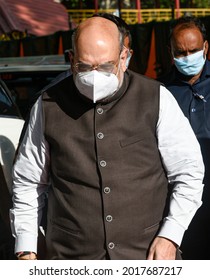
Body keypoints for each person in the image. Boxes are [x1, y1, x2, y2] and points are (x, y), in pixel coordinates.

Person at [10, 16, 204, 260]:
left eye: (104, 66)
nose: (94, 76)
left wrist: (170, 235)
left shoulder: (157, 98)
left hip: (146, 256)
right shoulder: (47, 105)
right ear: (71, 60)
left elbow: (189, 173)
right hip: (70, 258)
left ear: (124, 58)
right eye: (84, 66)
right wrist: (26, 247)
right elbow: (28, 182)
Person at [159, 16, 210, 260]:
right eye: (181, 52)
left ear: (206, 48)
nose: (188, 57)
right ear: (170, 52)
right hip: (181, 201)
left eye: (193, 50)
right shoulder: (160, 93)